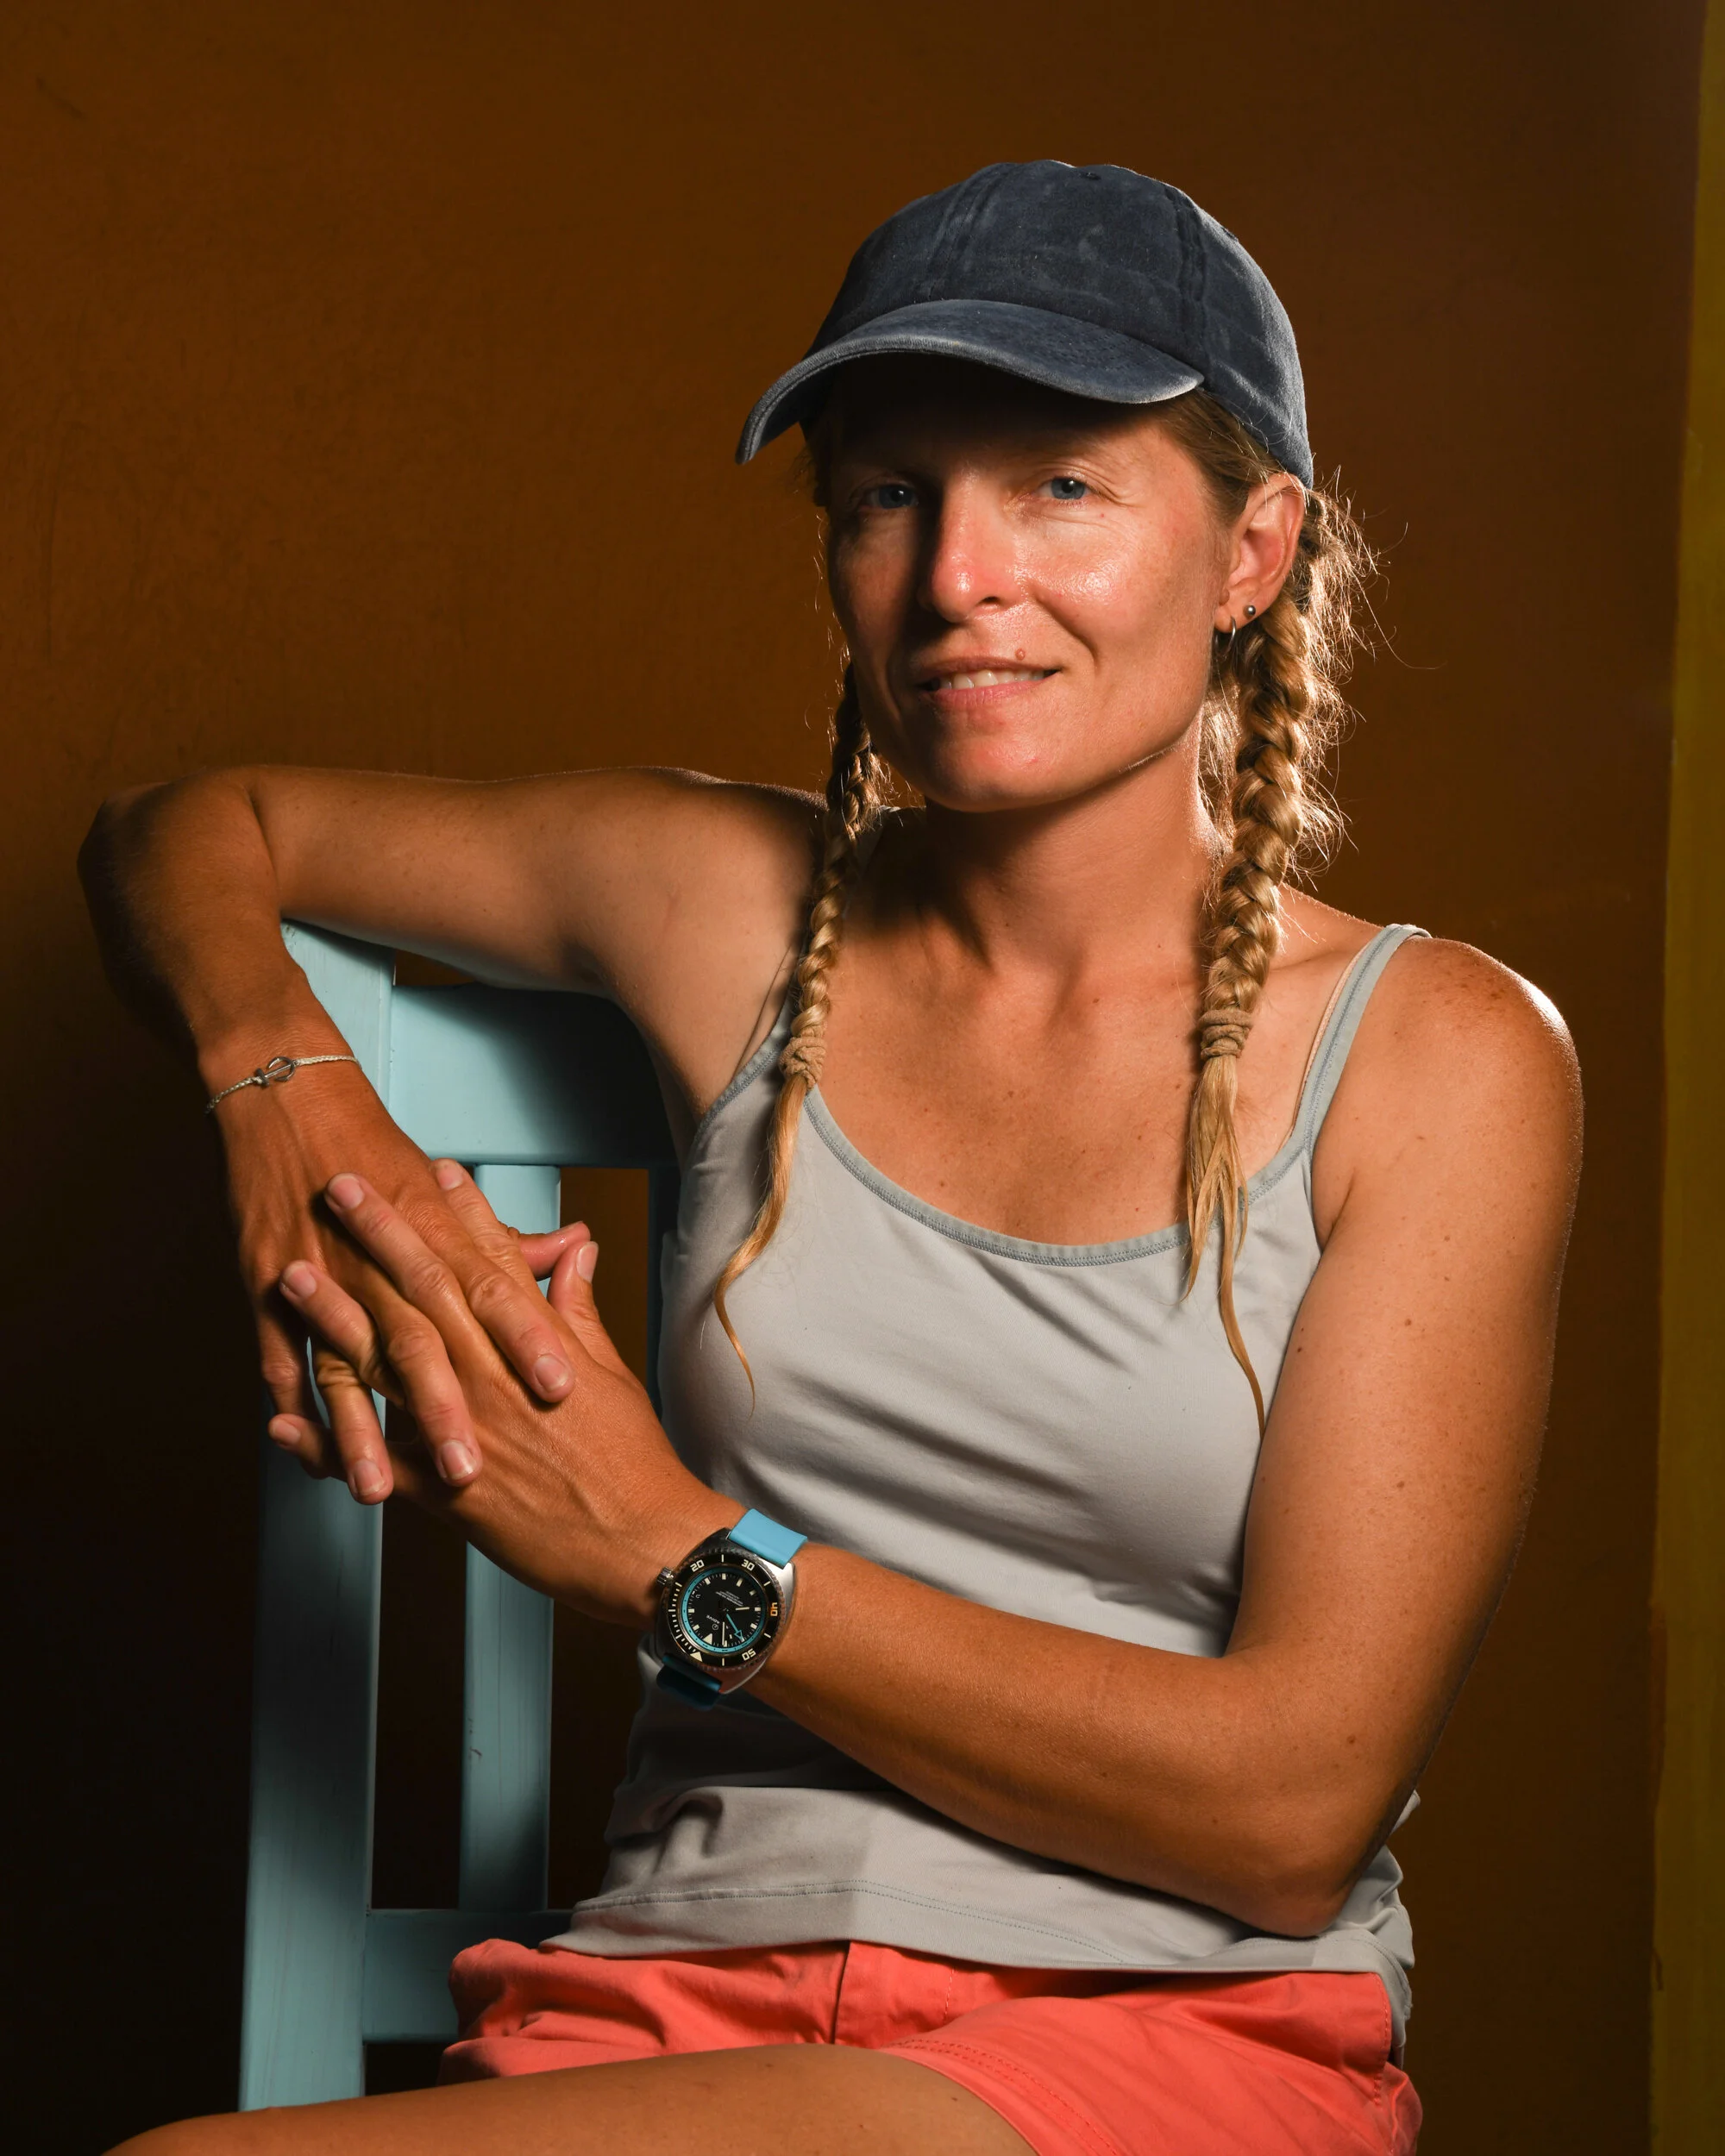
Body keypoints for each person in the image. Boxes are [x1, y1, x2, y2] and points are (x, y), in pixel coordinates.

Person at [85, 161, 1578, 2156]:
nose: (957, 573)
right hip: (656, 2013)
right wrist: (289, 1097)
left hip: (1167, 2033)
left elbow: (1290, 1805)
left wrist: (671, 1550)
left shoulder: (1437, 1056)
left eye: (1058, 483)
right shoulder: (722, 908)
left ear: (1252, 549)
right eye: (887, 492)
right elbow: (183, 828)